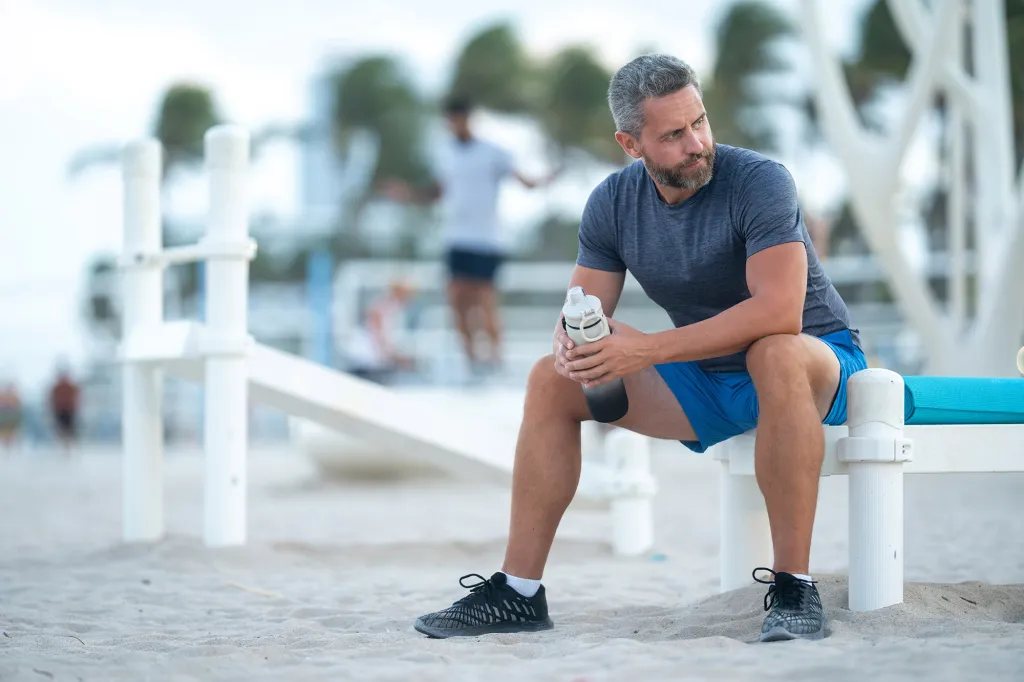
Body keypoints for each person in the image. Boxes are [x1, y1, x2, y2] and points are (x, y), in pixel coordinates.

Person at [413, 55, 866, 643]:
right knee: (551, 379)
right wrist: (578, 344)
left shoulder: (760, 180)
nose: (697, 143)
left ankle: (794, 587)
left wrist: (647, 349)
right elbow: (585, 310)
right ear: (631, 144)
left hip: (814, 361)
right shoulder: (611, 203)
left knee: (773, 352)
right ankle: (519, 592)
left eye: (700, 122)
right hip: (706, 375)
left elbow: (778, 313)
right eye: (673, 135)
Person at [381, 96, 560, 376]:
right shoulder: (445, 154)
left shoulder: (493, 152)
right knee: (456, 299)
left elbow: (524, 182)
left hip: (487, 239)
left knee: (484, 300)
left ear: (468, 119)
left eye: (458, 119)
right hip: (457, 237)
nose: (454, 125)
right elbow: (438, 191)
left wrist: (546, 179)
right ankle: (471, 362)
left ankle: (495, 360)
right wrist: (408, 194)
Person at [345, 279, 417, 384]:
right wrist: (394, 357)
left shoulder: (391, 308)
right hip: (368, 362)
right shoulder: (384, 307)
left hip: (375, 362)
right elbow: (378, 336)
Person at [49, 366, 80, 453]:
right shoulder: (57, 387)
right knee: (62, 429)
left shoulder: (70, 386)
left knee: (69, 429)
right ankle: (63, 445)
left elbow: (76, 398)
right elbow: (52, 399)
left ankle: (68, 446)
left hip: (69, 410)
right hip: (60, 410)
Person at [0, 382, 22, 452]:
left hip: (11, 420)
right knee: (4, 435)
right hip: (4, 420)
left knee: (10, 435)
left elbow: (17, 409)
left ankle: (8, 449)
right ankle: (5, 449)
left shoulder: (14, 398)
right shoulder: (2, 397)